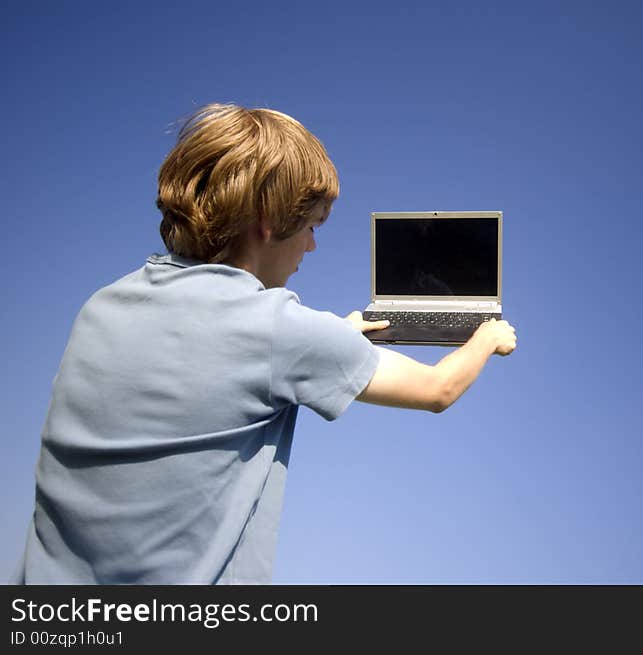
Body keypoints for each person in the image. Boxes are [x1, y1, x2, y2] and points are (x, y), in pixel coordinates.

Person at [13, 103, 516, 584]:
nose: (313, 246)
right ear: (270, 222)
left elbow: (207, 358)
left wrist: (328, 335)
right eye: (313, 226)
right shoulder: (281, 330)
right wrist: (488, 336)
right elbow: (437, 389)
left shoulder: (103, 305)